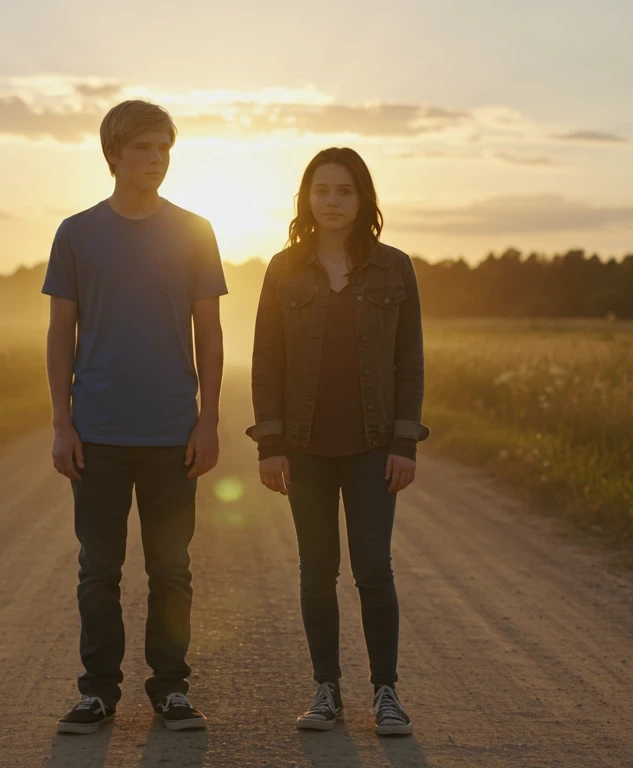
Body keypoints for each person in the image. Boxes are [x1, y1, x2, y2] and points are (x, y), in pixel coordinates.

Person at [44, 100, 226, 735]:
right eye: (144, 148)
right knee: (98, 568)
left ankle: (171, 690)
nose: (156, 160)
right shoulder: (76, 233)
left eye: (164, 149)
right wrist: (62, 423)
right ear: (113, 154)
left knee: (171, 567)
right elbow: (60, 332)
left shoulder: (196, 230)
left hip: (172, 431)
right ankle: (97, 693)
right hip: (96, 432)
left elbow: (210, 331)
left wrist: (209, 420)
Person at [246, 147, 429, 736]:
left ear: (362, 199)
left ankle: (386, 693)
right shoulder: (283, 269)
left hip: (375, 446)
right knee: (317, 568)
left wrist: (406, 443)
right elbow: (266, 360)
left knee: (374, 568)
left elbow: (410, 362)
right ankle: (326, 689)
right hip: (303, 448)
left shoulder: (395, 267)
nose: (331, 201)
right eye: (321, 190)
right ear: (307, 198)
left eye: (344, 190)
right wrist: (269, 443)